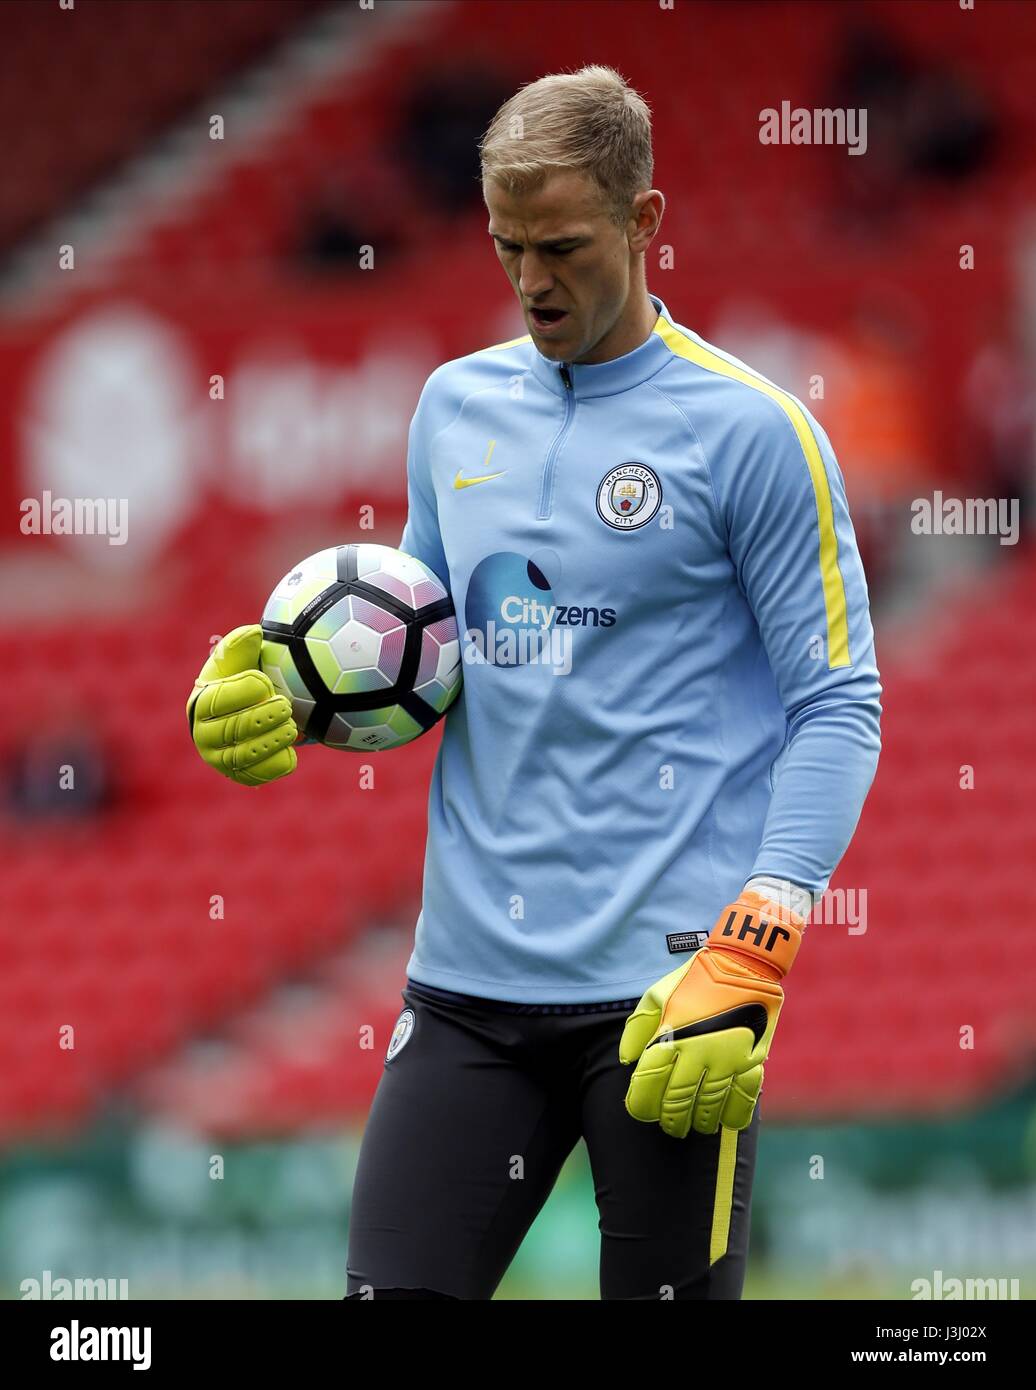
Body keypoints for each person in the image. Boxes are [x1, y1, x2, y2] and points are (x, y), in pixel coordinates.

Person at [187, 66, 882, 1301]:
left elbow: (837, 702)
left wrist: (760, 937)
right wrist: (288, 700)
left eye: (561, 245)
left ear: (645, 220)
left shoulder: (755, 433)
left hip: (671, 993)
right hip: (466, 990)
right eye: (509, 246)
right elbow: (421, 656)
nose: (531, 282)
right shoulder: (454, 408)